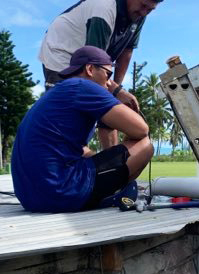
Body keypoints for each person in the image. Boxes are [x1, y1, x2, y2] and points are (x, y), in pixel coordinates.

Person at [12, 46, 153, 213]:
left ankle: (109, 190)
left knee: (100, 157)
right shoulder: (82, 86)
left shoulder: (61, 91)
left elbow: (80, 149)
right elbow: (141, 129)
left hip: (31, 198)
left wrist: (108, 162)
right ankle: (113, 193)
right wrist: (116, 93)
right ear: (90, 69)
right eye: (108, 74)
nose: (108, 82)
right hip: (60, 191)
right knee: (145, 145)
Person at [37, 0, 168, 145]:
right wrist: (115, 91)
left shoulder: (139, 15)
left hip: (92, 61)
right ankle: (63, 159)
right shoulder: (104, 8)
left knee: (107, 102)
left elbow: (127, 51)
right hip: (62, 54)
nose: (144, 12)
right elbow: (95, 61)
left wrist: (117, 88)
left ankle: (111, 169)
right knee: (68, 112)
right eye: (143, 5)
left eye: (150, 9)